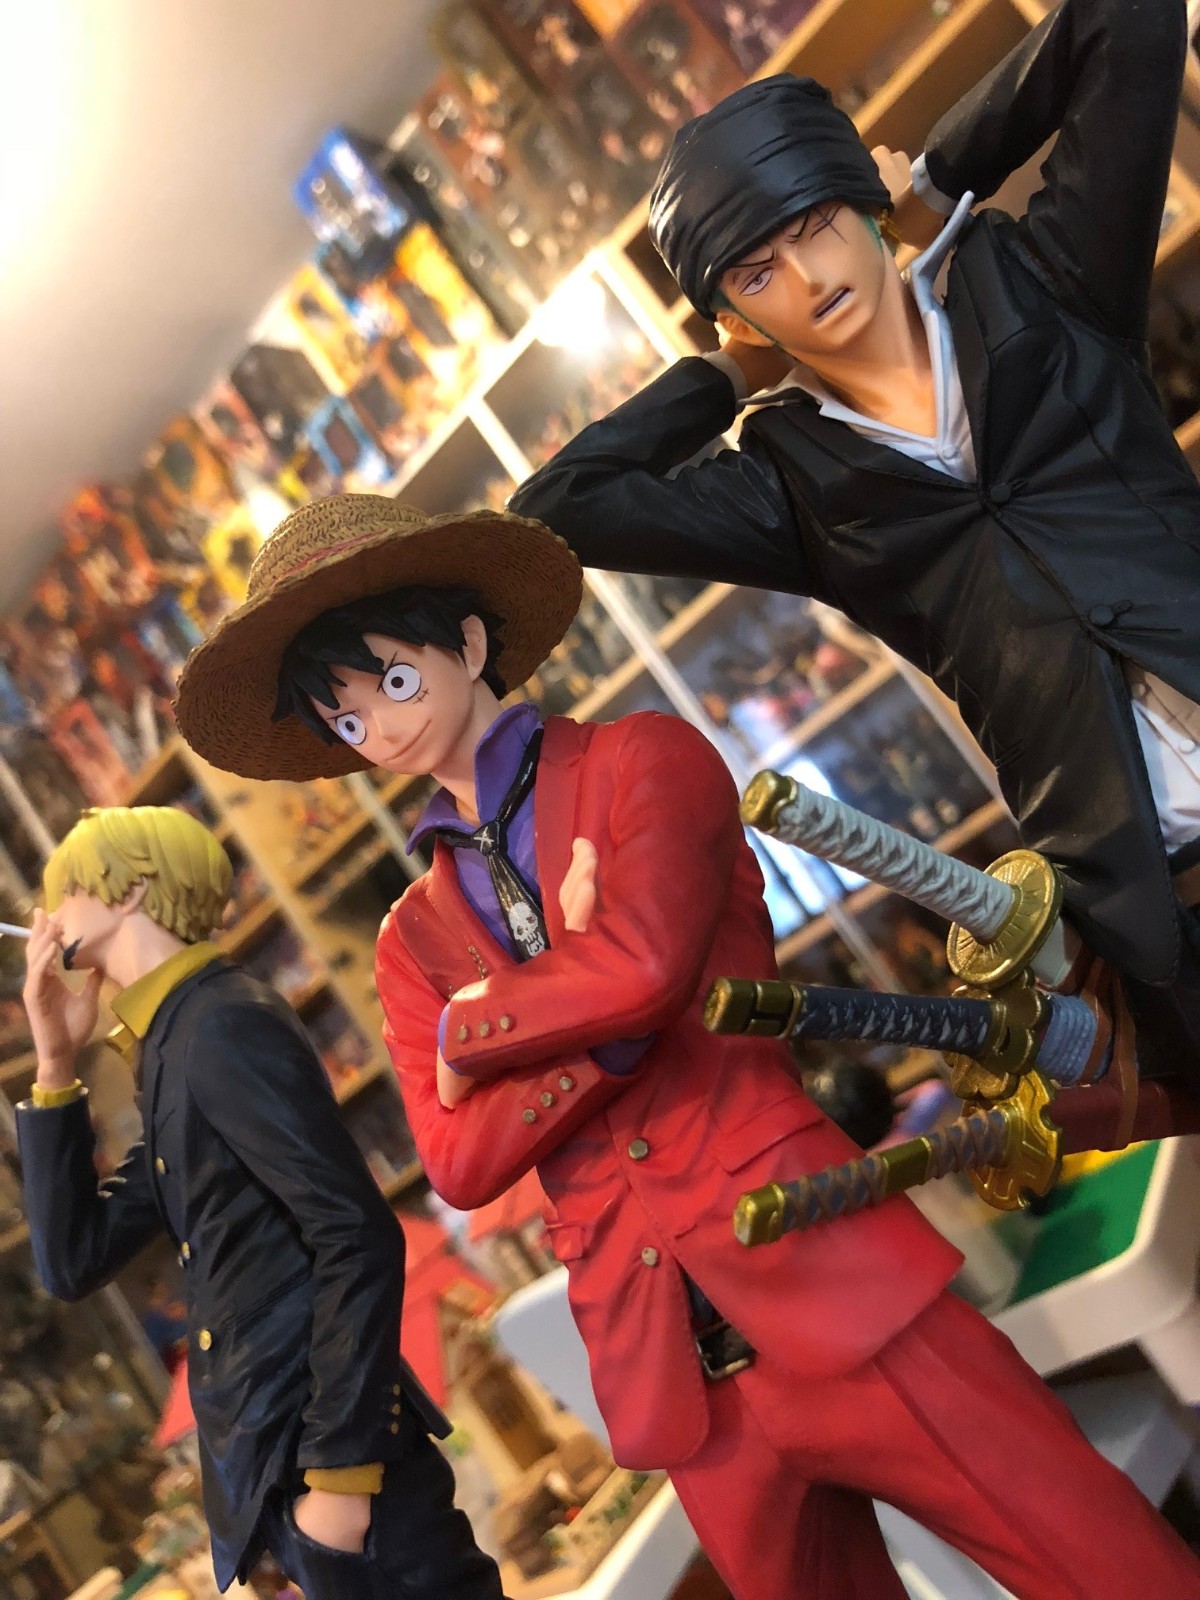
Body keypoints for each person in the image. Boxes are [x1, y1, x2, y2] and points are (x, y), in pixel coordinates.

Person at [175, 492, 1200, 1600]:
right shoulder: (409, 937)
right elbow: (459, 1160)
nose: (379, 728)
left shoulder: (643, 760)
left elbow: (652, 968)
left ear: (466, 643)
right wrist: (604, 1033)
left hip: (824, 1268)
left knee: (1095, 1558)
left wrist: (480, 1029)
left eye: (394, 680)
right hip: (672, 1365)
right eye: (345, 720)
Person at [507, 0, 1200, 1086]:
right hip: (1150, 891)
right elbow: (560, 506)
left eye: (817, 223)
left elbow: (1132, 22)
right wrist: (729, 372)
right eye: (756, 274)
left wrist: (934, 176)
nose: (806, 276)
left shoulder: (1043, 283)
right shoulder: (793, 490)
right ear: (737, 312)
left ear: (862, 205)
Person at [16, 804, 505, 1599]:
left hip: (333, 1468)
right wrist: (53, 1064)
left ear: (132, 888)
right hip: (293, 1466)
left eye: (68, 891)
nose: (50, 917)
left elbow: (354, 1232)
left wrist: (340, 1483)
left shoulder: (219, 1023)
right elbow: (73, 1261)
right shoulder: (177, 1038)